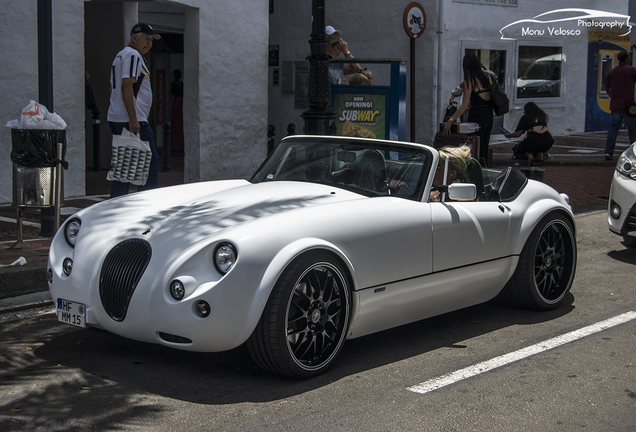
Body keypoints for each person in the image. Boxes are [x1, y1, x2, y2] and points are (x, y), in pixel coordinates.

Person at [107, 23, 161, 198]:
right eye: (146, 38)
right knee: (150, 161)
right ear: (134, 37)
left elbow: (111, 88)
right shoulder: (133, 55)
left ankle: (116, 204)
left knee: (125, 165)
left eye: (151, 40)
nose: (149, 43)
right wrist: (133, 118)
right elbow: (126, 86)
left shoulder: (120, 56)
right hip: (130, 120)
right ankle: (145, 202)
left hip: (119, 117)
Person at [441, 53, 494, 165]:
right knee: (484, 145)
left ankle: (475, 169)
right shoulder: (487, 77)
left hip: (477, 116)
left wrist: (450, 120)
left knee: (473, 146)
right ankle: (485, 169)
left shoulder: (470, 81)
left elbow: (464, 106)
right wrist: (456, 92)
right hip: (488, 114)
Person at [603, 50, 636, 160]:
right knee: (632, 130)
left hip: (616, 105)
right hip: (629, 107)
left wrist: (611, 95)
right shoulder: (631, 70)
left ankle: (608, 152)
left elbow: (606, 85)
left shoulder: (613, 71)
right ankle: (634, 153)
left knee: (613, 129)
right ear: (627, 58)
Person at [170, 69, 184, 152]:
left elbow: (170, 96)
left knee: (176, 124)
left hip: (176, 103)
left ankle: (176, 145)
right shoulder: (182, 84)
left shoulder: (173, 84)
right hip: (180, 103)